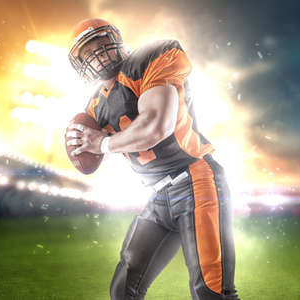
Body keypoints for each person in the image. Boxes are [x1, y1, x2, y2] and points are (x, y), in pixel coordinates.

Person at [65, 18, 240, 300]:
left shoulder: (151, 59)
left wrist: (103, 142)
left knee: (211, 291)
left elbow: (156, 127)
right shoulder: (96, 105)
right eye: (89, 52)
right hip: (158, 196)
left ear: (117, 40)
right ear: (81, 66)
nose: (98, 54)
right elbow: (87, 157)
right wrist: (85, 144)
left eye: (101, 44)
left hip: (195, 180)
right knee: (124, 290)